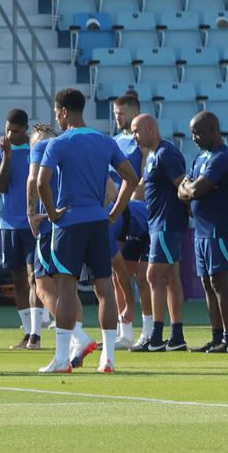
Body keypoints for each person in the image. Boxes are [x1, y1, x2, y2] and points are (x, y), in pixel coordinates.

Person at [36, 89, 137, 374]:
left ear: (64, 112)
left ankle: (61, 359)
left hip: (69, 223)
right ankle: (108, 359)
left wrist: (53, 212)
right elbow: (131, 177)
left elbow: (42, 182)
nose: (56, 117)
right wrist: (114, 213)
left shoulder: (58, 144)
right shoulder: (104, 141)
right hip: (97, 221)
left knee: (66, 289)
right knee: (105, 289)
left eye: (57, 113)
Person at [178, 112, 228, 354]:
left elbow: (194, 188)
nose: (194, 137)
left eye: (199, 132)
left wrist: (188, 189)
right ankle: (217, 337)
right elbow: (184, 191)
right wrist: (188, 189)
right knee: (206, 282)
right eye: (192, 132)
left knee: (219, 281)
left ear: (214, 130)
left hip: (218, 228)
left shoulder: (222, 157)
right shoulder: (200, 157)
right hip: (201, 229)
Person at [129, 114, 188, 353]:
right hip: (158, 223)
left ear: (151, 128)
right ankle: (176, 336)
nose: (134, 135)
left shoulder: (166, 153)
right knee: (171, 277)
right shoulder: (152, 155)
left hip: (166, 223)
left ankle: (156, 335)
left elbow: (183, 185)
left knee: (153, 275)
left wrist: (186, 212)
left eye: (136, 130)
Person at [0, 108, 35, 348]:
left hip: (31, 222)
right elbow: (0, 185)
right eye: (7, 129)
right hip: (8, 224)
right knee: (18, 279)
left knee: (34, 277)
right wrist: (6, 156)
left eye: (15, 131)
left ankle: (37, 332)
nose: (10, 134)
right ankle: (28, 332)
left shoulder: (36, 149)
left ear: (25, 129)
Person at [110, 93, 147, 348]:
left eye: (121, 113)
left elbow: (145, 176)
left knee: (142, 276)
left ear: (135, 113)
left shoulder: (141, 143)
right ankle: (125, 332)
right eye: (115, 114)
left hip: (136, 212)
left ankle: (148, 330)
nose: (117, 118)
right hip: (115, 213)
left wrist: (130, 201)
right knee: (116, 272)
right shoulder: (113, 142)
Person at [24, 123, 58, 349]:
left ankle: (78, 335)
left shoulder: (41, 151)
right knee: (66, 286)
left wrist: (32, 214)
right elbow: (110, 190)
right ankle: (37, 335)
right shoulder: (68, 150)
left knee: (42, 285)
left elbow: (33, 180)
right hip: (69, 224)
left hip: (49, 227)